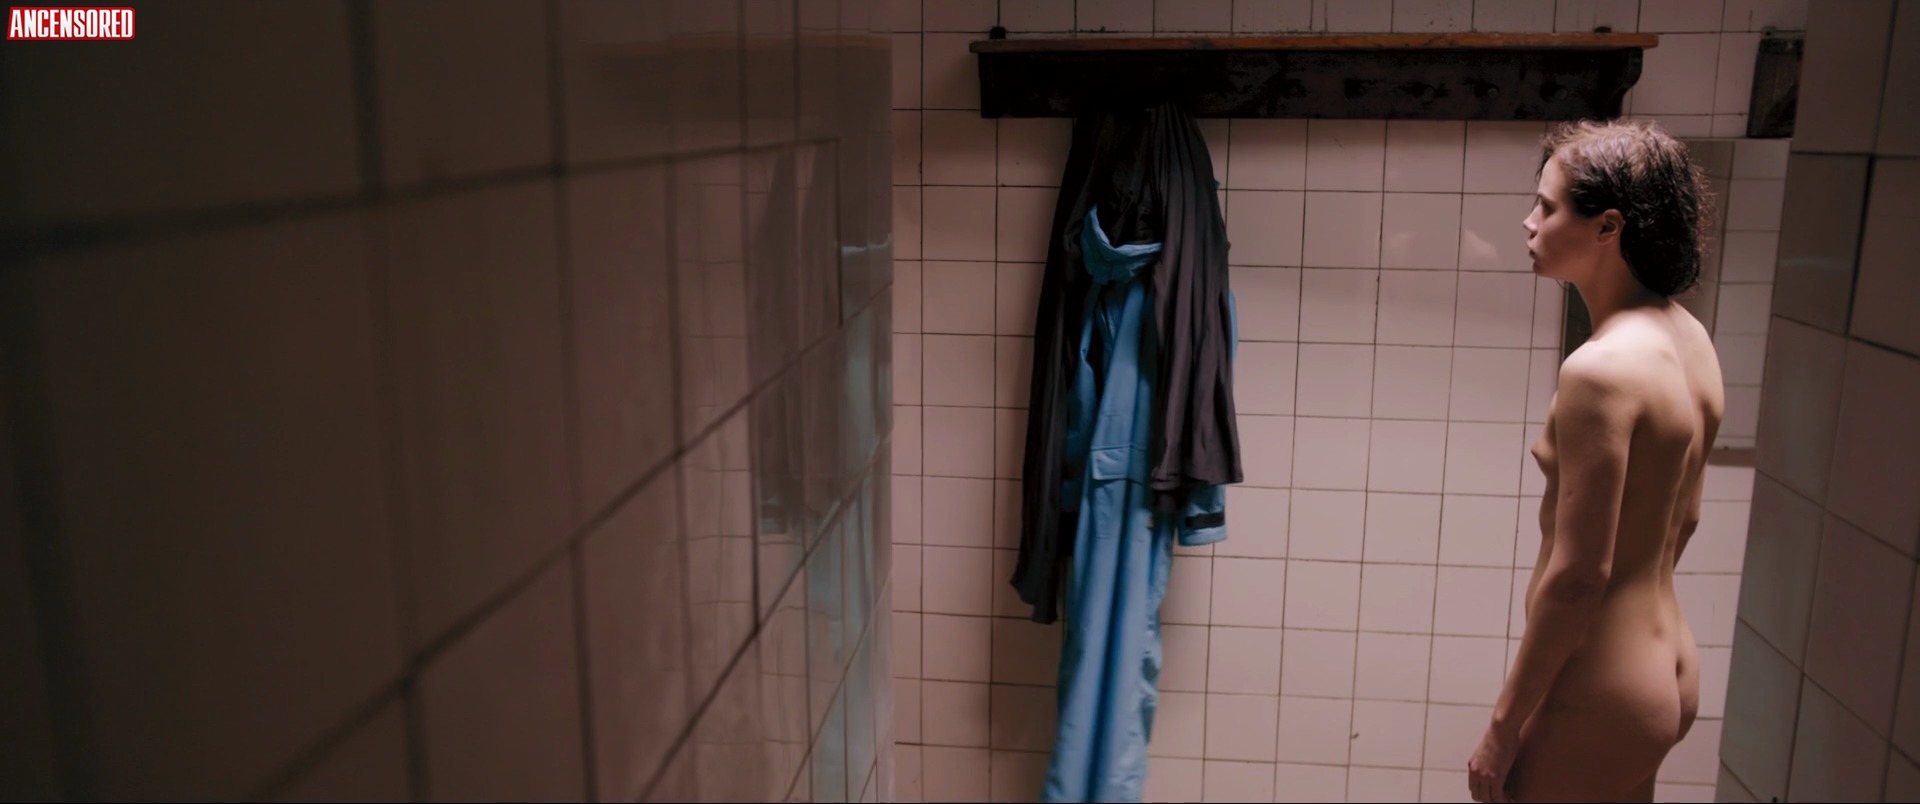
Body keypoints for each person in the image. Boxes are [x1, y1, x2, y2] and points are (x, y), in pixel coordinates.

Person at [1468, 119, 1723, 803]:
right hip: (1664, 661)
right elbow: (1685, 520)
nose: (1529, 222)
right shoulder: (1690, 339)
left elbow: (1580, 576)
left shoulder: (1601, 370)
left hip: (1599, 683)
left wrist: (1502, 727)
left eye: (1547, 207)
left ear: (1608, 227)